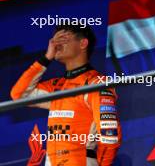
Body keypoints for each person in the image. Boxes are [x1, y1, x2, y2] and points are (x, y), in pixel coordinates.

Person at [10, 25, 121, 166]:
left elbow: (109, 136)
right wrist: (46, 58)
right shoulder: (57, 86)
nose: (57, 43)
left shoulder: (96, 83)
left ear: (83, 43)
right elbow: (19, 95)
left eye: (63, 38)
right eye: (55, 39)